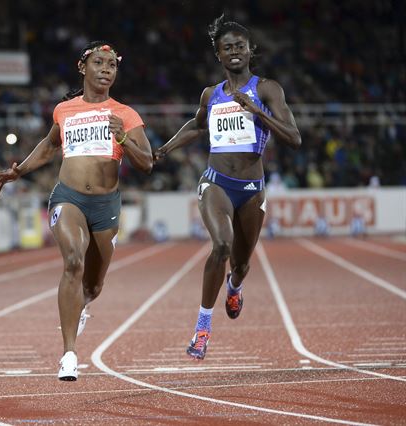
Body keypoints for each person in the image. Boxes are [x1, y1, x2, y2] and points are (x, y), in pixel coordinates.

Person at [0, 41, 153, 381]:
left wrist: (123, 139)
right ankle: (68, 354)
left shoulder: (126, 114)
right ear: (83, 67)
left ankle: (83, 305)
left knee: (92, 287)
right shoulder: (64, 111)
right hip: (68, 198)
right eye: (99, 62)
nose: (106, 69)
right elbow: (50, 145)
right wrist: (18, 170)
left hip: (106, 205)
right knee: (73, 262)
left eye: (112, 64)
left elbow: (147, 163)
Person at [154, 15, 301, 360]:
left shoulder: (267, 89)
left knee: (241, 264)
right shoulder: (212, 93)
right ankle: (202, 329)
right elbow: (197, 124)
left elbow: (294, 137)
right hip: (216, 181)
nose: (234, 52)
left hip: (252, 188)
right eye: (227, 48)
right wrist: (165, 149)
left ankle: (234, 287)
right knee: (221, 244)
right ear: (218, 55)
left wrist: (257, 110)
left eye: (239, 46)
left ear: (250, 51)